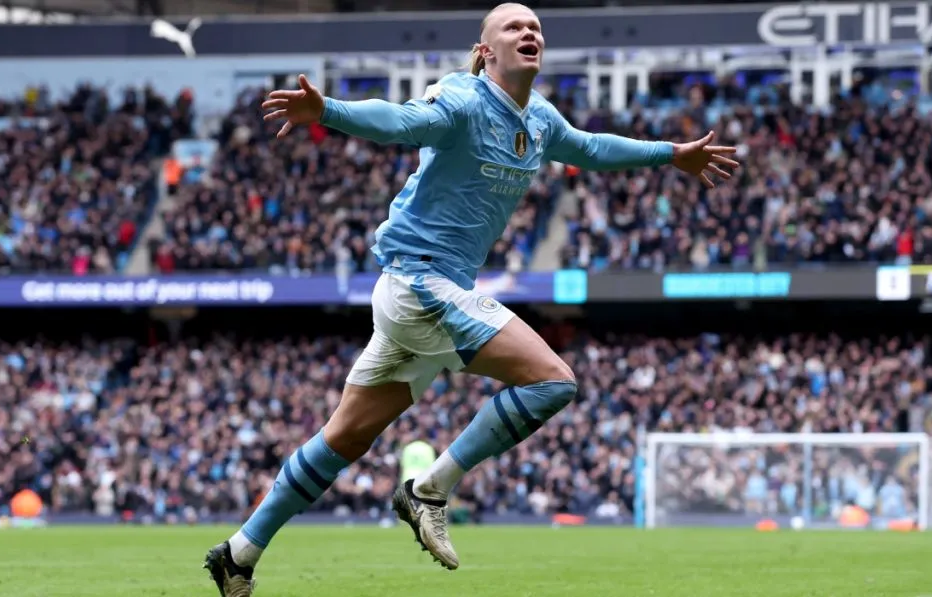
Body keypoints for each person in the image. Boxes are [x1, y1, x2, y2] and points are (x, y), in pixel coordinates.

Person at [203, 3, 740, 595]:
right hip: (419, 282)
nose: (529, 33)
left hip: (434, 290)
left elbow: (591, 148)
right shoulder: (461, 99)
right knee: (552, 381)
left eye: (535, 27)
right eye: (514, 27)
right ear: (486, 51)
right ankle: (428, 489)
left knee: (346, 438)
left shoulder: (538, 117)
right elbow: (398, 121)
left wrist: (671, 154)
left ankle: (239, 553)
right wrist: (325, 110)